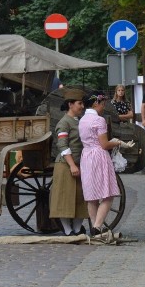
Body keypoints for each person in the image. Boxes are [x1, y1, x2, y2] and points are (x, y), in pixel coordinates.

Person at [78, 92, 127, 236]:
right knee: (108, 194)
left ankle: (95, 226)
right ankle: (98, 226)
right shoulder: (98, 120)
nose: (103, 107)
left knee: (92, 196)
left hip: (86, 156)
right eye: (102, 104)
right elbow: (104, 144)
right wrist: (118, 142)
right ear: (95, 104)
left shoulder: (82, 120)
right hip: (98, 156)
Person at [48, 89, 88, 236]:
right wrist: (72, 165)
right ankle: (67, 230)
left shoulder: (79, 121)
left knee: (81, 198)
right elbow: (62, 145)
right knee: (65, 198)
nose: (82, 106)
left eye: (82, 103)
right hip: (65, 166)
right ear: (70, 104)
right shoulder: (63, 123)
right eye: (79, 103)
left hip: (80, 165)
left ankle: (78, 229)